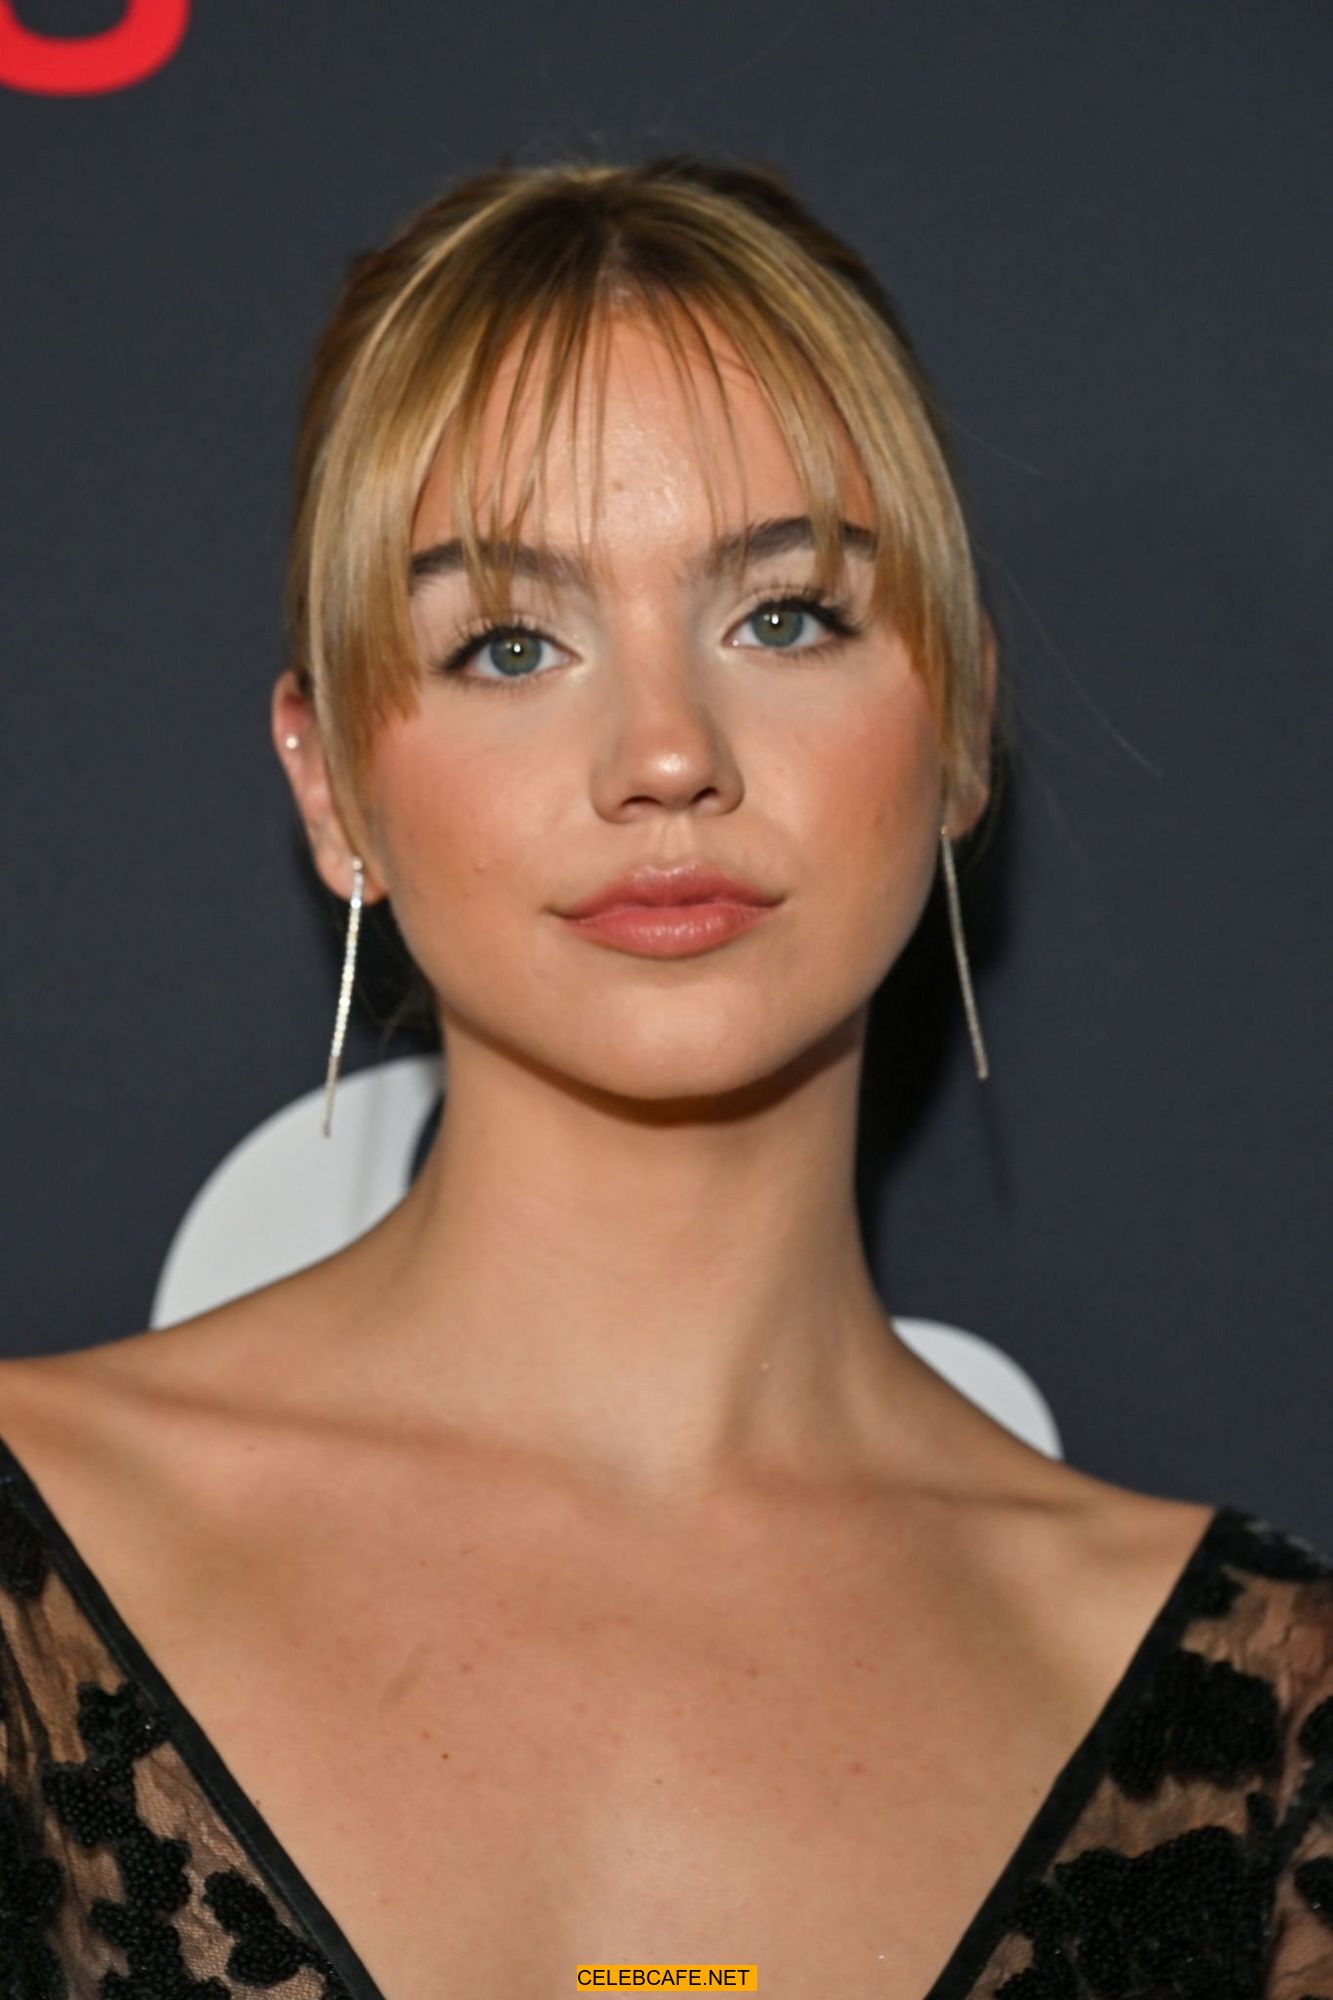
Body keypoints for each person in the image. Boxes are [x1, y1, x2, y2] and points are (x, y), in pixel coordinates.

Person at [0, 154, 1328, 1999]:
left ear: (958, 722)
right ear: (330, 783)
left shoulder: (1269, 1709)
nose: (663, 753)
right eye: (510, 643)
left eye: (783, 616)